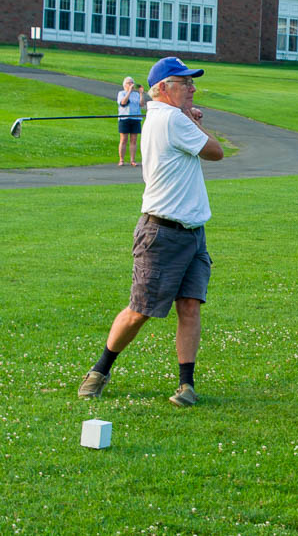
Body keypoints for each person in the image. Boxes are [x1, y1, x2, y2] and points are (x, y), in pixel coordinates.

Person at [78, 57, 224, 407]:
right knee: (139, 310)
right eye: (183, 82)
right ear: (162, 89)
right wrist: (192, 120)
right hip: (162, 233)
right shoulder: (173, 118)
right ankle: (99, 370)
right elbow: (216, 152)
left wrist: (189, 118)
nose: (192, 87)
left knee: (190, 306)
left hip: (192, 232)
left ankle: (186, 385)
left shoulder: (165, 116)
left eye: (192, 82)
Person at [117, 76, 145, 166]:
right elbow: (123, 102)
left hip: (135, 118)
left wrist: (141, 94)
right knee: (123, 139)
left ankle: (132, 160)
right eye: (129, 83)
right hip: (124, 118)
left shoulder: (136, 95)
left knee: (134, 140)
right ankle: (121, 159)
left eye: (132, 82)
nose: (131, 84)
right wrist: (129, 91)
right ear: (125, 85)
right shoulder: (121, 93)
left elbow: (141, 104)